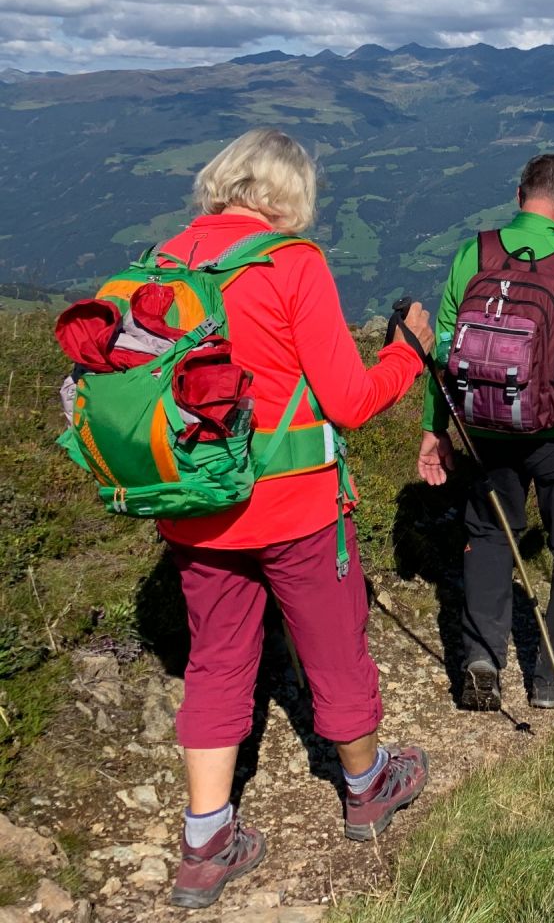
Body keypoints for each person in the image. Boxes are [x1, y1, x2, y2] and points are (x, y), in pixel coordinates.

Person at [156, 129, 432, 910]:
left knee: (216, 660)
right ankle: (368, 788)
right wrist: (407, 354)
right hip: (296, 505)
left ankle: (206, 842)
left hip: (196, 507)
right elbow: (349, 401)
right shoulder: (291, 263)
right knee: (334, 649)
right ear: (290, 194)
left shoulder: (165, 263)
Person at [416, 154, 554, 712]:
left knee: (490, 536)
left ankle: (482, 660)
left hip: (484, 427)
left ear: (520, 196)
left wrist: (434, 429)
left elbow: (442, 352)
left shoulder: (474, 253)